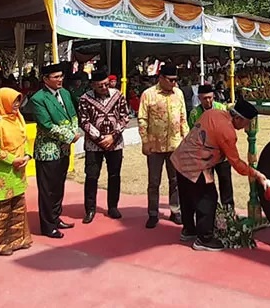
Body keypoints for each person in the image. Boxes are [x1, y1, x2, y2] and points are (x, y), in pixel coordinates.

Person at [171, 98, 270, 252]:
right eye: (246, 122)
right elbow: (237, 164)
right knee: (208, 198)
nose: (246, 127)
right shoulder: (227, 132)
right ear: (238, 118)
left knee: (187, 196)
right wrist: (257, 174)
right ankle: (204, 239)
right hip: (195, 165)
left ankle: (189, 230)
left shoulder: (213, 113)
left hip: (180, 158)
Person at [0, 88, 33, 255]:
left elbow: (23, 138)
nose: (17, 104)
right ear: (3, 102)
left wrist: (26, 155)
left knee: (16, 206)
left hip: (17, 171)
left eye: (18, 101)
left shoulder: (17, 118)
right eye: (13, 101)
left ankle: (18, 239)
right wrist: (12, 159)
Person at [30, 63, 79, 238]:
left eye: (61, 76)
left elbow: (73, 115)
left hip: (64, 149)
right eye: (56, 77)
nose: (60, 80)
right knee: (47, 189)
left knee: (59, 186)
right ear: (45, 79)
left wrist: (73, 134)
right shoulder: (38, 98)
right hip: (48, 150)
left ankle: (56, 217)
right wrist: (68, 137)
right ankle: (47, 224)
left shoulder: (65, 93)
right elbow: (46, 125)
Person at [138, 63, 188, 229]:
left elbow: (183, 119)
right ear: (161, 78)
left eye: (175, 80)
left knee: (175, 181)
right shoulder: (148, 94)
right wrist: (145, 141)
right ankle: (153, 213)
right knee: (154, 181)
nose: (174, 83)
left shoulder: (178, 94)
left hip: (175, 145)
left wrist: (186, 140)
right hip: (154, 146)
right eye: (171, 80)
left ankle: (176, 211)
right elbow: (142, 119)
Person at [78, 70, 130, 224]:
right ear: (93, 85)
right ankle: (90, 209)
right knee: (92, 176)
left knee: (115, 175)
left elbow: (125, 116)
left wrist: (113, 136)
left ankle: (113, 206)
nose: (105, 88)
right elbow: (84, 121)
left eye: (107, 84)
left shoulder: (118, 95)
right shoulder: (85, 99)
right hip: (94, 145)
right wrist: (100, 138)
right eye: (100, 86)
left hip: (115, 142)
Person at [187, 84, 235, 211]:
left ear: (214, 96)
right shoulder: (194, 114)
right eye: (204, 98)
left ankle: (229, 212)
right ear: (199, 98)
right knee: (207, 186)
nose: (208, 101)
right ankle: (211, 213)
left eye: (210, 98)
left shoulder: (222, 109)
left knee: (226, 184)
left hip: (222, 155)